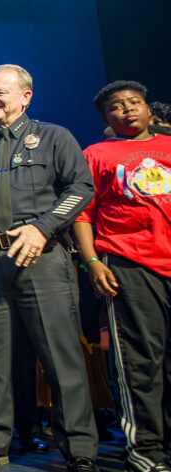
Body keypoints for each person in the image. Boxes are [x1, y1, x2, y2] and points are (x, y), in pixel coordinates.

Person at [0, 64, 98, 472]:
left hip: (41, 261)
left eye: (1, 92)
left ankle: (80, 449)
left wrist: (43, 228)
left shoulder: (54, 137)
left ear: (26, 96)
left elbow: (81, 188)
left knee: (61, 359)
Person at [73, 80, 171, 472]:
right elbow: (82, 214)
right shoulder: (96, 154)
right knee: (139, 361)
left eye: (135, 102)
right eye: (117, 106)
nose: (128, 109)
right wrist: (92, 261)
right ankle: (145, 448)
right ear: (106, 117)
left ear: (148, 108)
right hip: (130, 264)